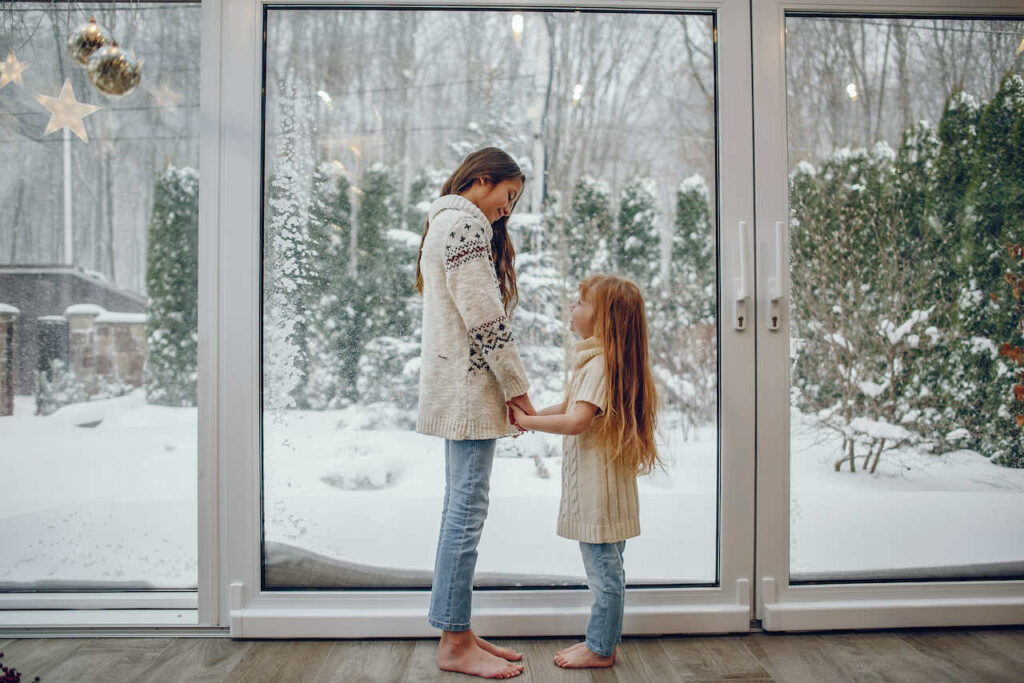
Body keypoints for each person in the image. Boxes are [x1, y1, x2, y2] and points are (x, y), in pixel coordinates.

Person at [415, 147, 535, 679]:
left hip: (454, 390)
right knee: (465, 513)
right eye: (508, 197)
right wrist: (517, 389)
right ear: (482, 180)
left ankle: (457, 628)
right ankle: (454, 642)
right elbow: (485, 319)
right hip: (469, 393)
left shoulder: (443, 223)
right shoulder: (464, 228)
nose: (507, 211)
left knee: (459, 511)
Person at [509, 273, 660, 669]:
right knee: (609, 570)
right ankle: (601, 641)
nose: (571, 309)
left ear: (604, 319)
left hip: (599, 494)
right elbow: (569, 405)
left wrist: (529, 423)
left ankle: (600, 647)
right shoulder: (600, 361)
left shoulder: (601, 365)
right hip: (608, 491)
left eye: (580, 303)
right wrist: (528, 416)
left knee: (604, 574)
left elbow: (576, 421)